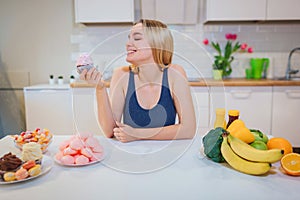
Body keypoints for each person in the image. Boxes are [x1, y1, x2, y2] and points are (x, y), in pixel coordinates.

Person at [79, 19, 196, 143]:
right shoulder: (121, 75)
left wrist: (137, 134)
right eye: (129, 38)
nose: (128, 43)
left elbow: (188, 130)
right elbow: (110, 131)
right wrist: (100, 88)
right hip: (131, 154)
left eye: (137, 38)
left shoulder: (175, 73)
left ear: (157, 43)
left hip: (168, 153)